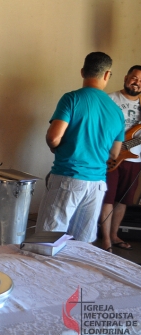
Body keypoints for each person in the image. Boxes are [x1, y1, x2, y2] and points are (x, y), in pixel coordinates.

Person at [35, 52, 124, 242]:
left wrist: (56, 147)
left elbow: (53, 137)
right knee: (82, 244)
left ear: (83, 72)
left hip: (68, 177)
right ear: (107, 75)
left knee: (48, 240)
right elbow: (115, 153)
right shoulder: (116, 111)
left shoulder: (72, 99)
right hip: (97, 185)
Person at [99, 65, 141, 252]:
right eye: (134, 78)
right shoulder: (110, 99)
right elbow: (99, 127)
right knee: (108, 198)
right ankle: (106, 239)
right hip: (111, 156)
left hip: (135, 158)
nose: (136, 82)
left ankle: (115, 235)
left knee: (123, 200)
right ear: (126, 77)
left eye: (140, 80)